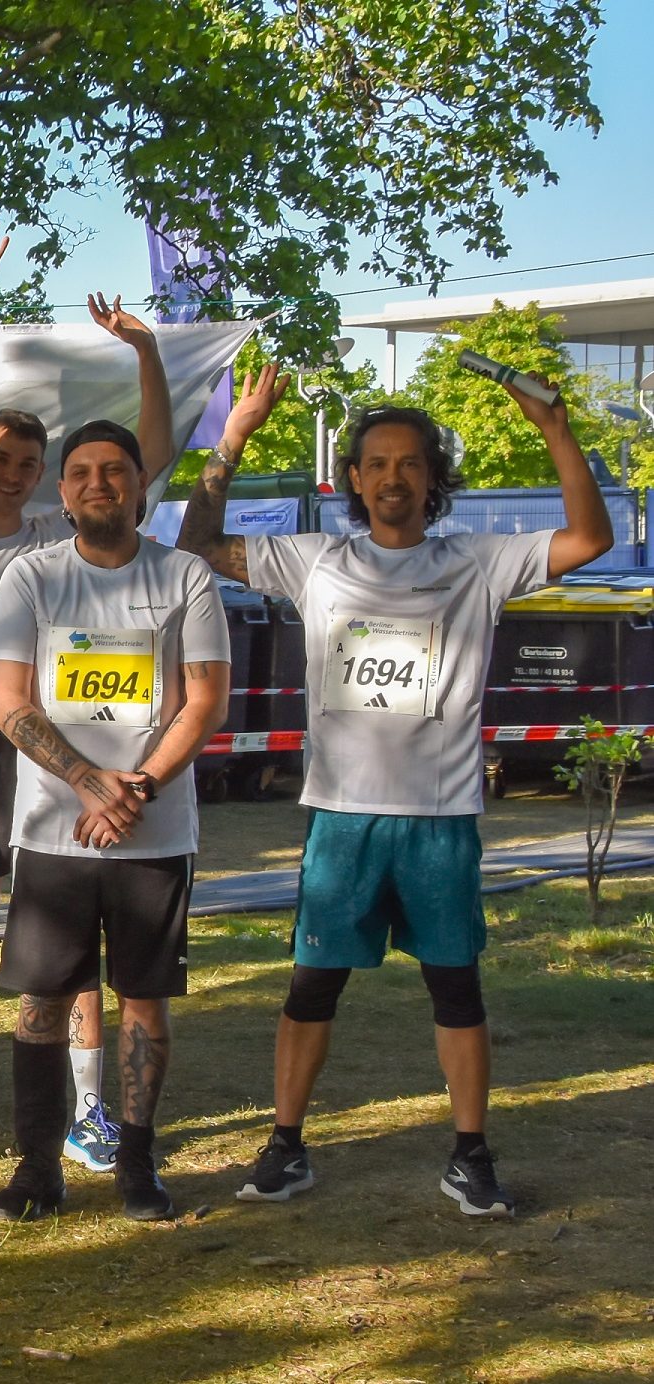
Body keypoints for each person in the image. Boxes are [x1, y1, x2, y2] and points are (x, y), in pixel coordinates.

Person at [182, 370, 611, 1218]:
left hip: (441, 818)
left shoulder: (477, 563)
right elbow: (199, 543)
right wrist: (232, 438)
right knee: (311, 988)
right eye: (376, 463)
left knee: (457, 990)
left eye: (409, 464)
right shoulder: (314, 561)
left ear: (432, 479)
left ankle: (471, 1153)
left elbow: (589, 538)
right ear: (353, 479)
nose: (392, 478)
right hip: (342, 819)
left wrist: (559, 432)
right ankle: (287, 1144)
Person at [0, 294, 177, 1171]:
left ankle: (92, 1110)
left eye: (32, 463)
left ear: (47, 480)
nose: (16, 473)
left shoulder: (53, 536)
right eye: (2, 459)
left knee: (71, 941)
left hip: (61, 758)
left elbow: (156, 460)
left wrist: (144, 353)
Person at [0, 413, 230, 1221]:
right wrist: (91, 782)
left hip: (154, 833)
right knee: (42, 1001)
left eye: (115, 470)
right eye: (82, 471)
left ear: (139, 485)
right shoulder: (31, 577)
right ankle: (36, 1169)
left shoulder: (184, 576)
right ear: (64, 490)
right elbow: (5, 700)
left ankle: (136, 1163)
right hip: (55, 831)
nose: (99, 483)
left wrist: (139, 789)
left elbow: (205, 701)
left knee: (143, 1002)